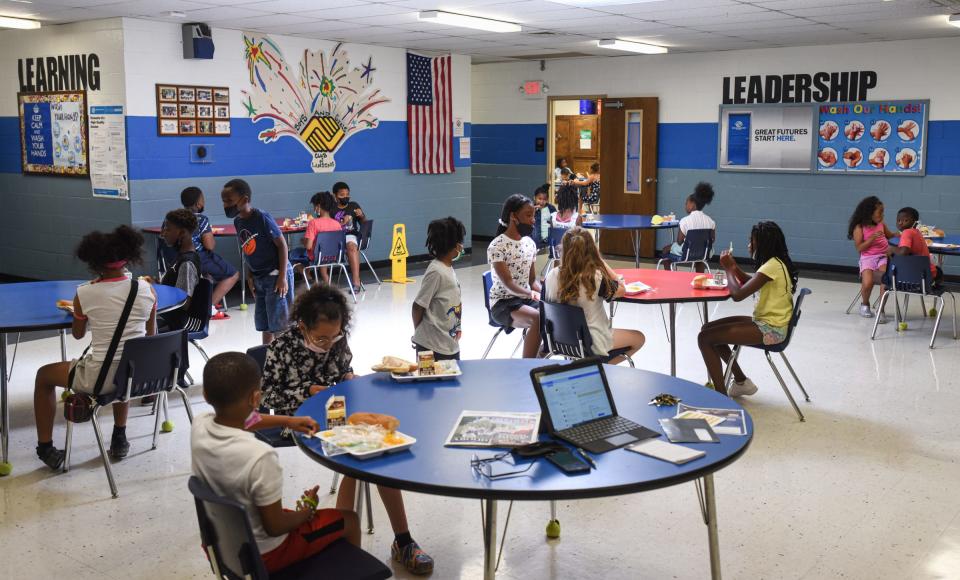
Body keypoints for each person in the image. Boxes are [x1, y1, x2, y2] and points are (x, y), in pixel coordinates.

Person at [260, 285, 435, 575]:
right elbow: (267, 397)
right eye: (321, 338)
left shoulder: (338, 341)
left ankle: (360, 540)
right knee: (366, 456)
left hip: (342, 413)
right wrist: (309, 391)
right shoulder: (282, 347)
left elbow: (344, 372)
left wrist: (350, 378)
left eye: (335, 336)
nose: (329, 344)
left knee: (377, 450)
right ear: (302, 326)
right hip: (300, 421)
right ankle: (397, 541)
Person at [191, 352, 361, 575]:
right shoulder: (260, 456)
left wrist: (288, 421)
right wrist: (308, 511)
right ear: (256, 398)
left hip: (223, 544)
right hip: (267, 553)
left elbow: (242, 421)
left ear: (205, 395)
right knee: (349, 519)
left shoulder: (199, 425)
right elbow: (276, 527)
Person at [33, 226, 157, 469]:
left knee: (43, 376)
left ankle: (45, 448)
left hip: (100, 378)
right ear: (127, 259)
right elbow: (150, 335)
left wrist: (83, 312)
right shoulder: (146, 288)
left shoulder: (85, 293)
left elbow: (78, 335)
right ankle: (120, 436)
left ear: (95, 264)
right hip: (139, 375)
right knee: (124, 364)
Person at [697, 221, 799, 397]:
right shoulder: (775, 263)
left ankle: (721, 397)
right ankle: (741, 381)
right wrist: (735, 268)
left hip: (771, 329)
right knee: (708, 329)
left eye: (752, 241)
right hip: (769, 322)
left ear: (763, 244)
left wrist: (728, 269)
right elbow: (752, 282)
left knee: (705, 338)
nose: (749, 245)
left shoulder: (771, 266)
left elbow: (737, 295)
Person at [545, 228, 644, 363]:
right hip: (591, 341)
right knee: (639, 338)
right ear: (592, 251)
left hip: (559, 340)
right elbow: (622, 288)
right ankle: (598, 369)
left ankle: (588, 368)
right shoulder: (594, 277)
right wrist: (600, 261)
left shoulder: (550, 275)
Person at [221, 178, 294, 344]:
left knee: (279, 324)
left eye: (229, 201)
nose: (226, 205)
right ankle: (267, 356)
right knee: (265, 323)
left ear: (245, 200)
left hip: (276, 275)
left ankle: (284, 358)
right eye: (224, 201)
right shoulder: (238, 221)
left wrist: (282, 277)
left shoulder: (261, 217)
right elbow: (247, 249)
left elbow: (282, 245)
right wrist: (249, 276)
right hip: (259, 277)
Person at [488, 194, 542, 358]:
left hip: (525, 299)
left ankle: (542, 355)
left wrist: (546, 293)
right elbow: (508, 283)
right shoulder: (497, 245)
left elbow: (532, 281)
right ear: (513, 216)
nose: (533, 220)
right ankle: (528, 366)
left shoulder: (530, 244)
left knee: (556, 312)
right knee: (538, 318)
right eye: (528, 215)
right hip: (503, 303)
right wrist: (530, 293)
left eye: (534, 215)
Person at [181, 186, 239, 320]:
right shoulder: (201, 219)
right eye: (203, 199)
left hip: (176, 260)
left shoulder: (171, 218)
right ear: (198, 204)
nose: (204, 202)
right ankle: (207, 308)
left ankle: (200, 304)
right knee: (233, 274)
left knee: (207, 275)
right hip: (197, 258)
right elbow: (209, 245)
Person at [412, 217, 465, 361]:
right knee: (429, 382)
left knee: (451, 380)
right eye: (460, 241)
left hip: (448, 343)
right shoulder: (436, 271)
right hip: (431, 346)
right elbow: (418, 306)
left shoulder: (447, 268)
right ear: (455, 246)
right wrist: (420, 334)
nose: (462, 246)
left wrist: (457, 327)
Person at [848, 196, 896, 320]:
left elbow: (890, 235)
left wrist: (903, 233)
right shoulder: (859, 227)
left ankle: (881, 309)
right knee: (868, 283)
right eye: (880, 212)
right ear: (869, 213)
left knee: (885, 280)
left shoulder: (881, 224)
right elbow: (859, 248)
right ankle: (865, 304)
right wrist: (871, 239)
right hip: (868, 257)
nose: (883, 215)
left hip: (883, 256)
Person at [157, 208, 201, 331]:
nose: (163, 233)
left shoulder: (187, 263)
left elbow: (183, 302)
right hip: (169, 318)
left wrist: (156, 293)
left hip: (176, 323)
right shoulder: (181, 257)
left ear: (182, 233)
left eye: (168, 229)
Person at [660, 182, 717, 272]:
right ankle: (699, 276)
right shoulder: (711, 221)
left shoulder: (685, 221)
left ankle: (669, 275)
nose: (685, 206)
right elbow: (712, 239)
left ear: (693, 204)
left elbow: (679, 242)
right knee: (700, 257)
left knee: (665, 249)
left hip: (687, 253)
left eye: (686, 203)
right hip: (705, 253)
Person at [291, 191, 342, 283]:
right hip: (333, 256)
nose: (314, 208)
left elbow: (308, 246)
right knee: (317, 256)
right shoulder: (337, 224)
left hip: (316, 256)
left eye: (314, 206)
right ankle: (329, 288)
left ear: (318, 207)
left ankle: (307, 277)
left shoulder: (313, 223)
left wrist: (303, 240)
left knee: (291, 254)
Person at [892, 206, 943, 287]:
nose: (901, 223)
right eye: (898, 220)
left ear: (915, 222)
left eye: (905, 220)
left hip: (911, 278)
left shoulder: (907, 233)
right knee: (938, 270)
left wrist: (890, 249)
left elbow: (903, 252)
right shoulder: (917, 232)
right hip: (925, 276)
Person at [332, 182, 365, 292]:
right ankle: (325, 285)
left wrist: (361, 215)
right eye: (342, 194)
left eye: (347, 194)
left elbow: (364, 223)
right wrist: (342, 223)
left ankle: (356, 282)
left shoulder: (353, 205)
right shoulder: (330, 208)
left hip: (350, 235)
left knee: (351, 246)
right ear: (335, 196)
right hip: (335, 237)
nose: (345, 197)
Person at [532, 184, 557, 249]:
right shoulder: (531, 208)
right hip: (533, 242)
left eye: (544, 199)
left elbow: (554, 225)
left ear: (547, 199)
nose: (542, 201)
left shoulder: (551, 208)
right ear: (534, 198)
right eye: (539, 199)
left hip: (546, 242)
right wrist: (533, 212)